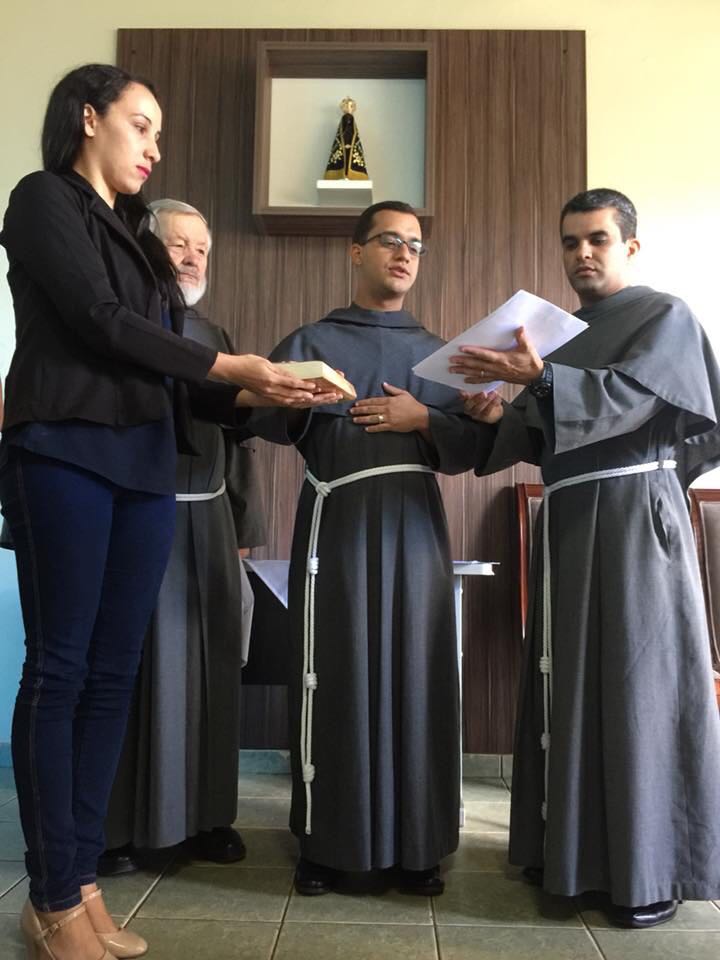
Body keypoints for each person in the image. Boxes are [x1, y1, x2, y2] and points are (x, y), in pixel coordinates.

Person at [0, 63, 335, 960]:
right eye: (141, 124)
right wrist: (232, 366)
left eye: (158, 133)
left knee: (113, 674)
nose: (154, 146)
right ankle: (52, 893)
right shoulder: (43, 200)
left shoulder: (136, 238)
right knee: (61, 670)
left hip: (145, 467)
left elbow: (177, 380)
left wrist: (278, 389)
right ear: (87, 117)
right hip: (64, 450)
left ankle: (80, 881)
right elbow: (102, 322)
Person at [448, 188, 720, 927]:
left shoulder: (663, 316)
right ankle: (566, 857)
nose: (582, 254)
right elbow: (536, 435)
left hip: (634, 517)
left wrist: (535, 379)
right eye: (570, 242)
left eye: (597, 239)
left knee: (639, 687)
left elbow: (628, 401)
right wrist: (495, 412)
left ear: (631, 246)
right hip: (568, 519)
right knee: (566, 681)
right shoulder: (559, 336)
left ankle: (645, 873)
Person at [249, 200, 471, 897]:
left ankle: (418, 846)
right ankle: (327, 843)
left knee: (417, 671)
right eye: (389, 241)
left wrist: (424, 416)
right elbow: (263, 418)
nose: (404, 254)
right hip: (337, 525)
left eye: (415, 245)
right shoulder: (313, 339)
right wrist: (297, 398)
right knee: (335, 671)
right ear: (356, 251)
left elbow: (475, 444)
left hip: (413, 530)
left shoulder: (441, 355)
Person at [100, 199, 267, 874]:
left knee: (211, 670)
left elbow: (236, 442)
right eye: (179, 244)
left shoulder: (215, 333)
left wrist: (243, 527)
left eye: (202, 248)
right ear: (144, 247)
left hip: (210, 521)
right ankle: (114, 828)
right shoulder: (118, 324)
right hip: (134, 515)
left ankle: (206, 819)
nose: (194, 258)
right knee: (129, 671)